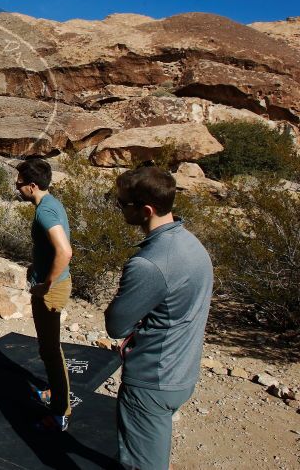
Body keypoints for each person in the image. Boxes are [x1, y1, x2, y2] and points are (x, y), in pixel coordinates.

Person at [105, 166, 213, 470]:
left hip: (152, 379)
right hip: (182, 370)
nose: (119, 208)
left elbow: (116, 325)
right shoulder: (192, 244)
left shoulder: (148, 263)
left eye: (123, 203)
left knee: (141, 463)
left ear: (146, 210)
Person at [15, 159, 73, 433]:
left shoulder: (44, 213)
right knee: (50, 348)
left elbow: (65, 251)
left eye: (19, 184)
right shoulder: (52, 203)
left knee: (50, 351)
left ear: (32, 185)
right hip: (55, 283)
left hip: (51, 289)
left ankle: (60, 412)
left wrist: (45, 284)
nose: (17, 189)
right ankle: (55, 392)